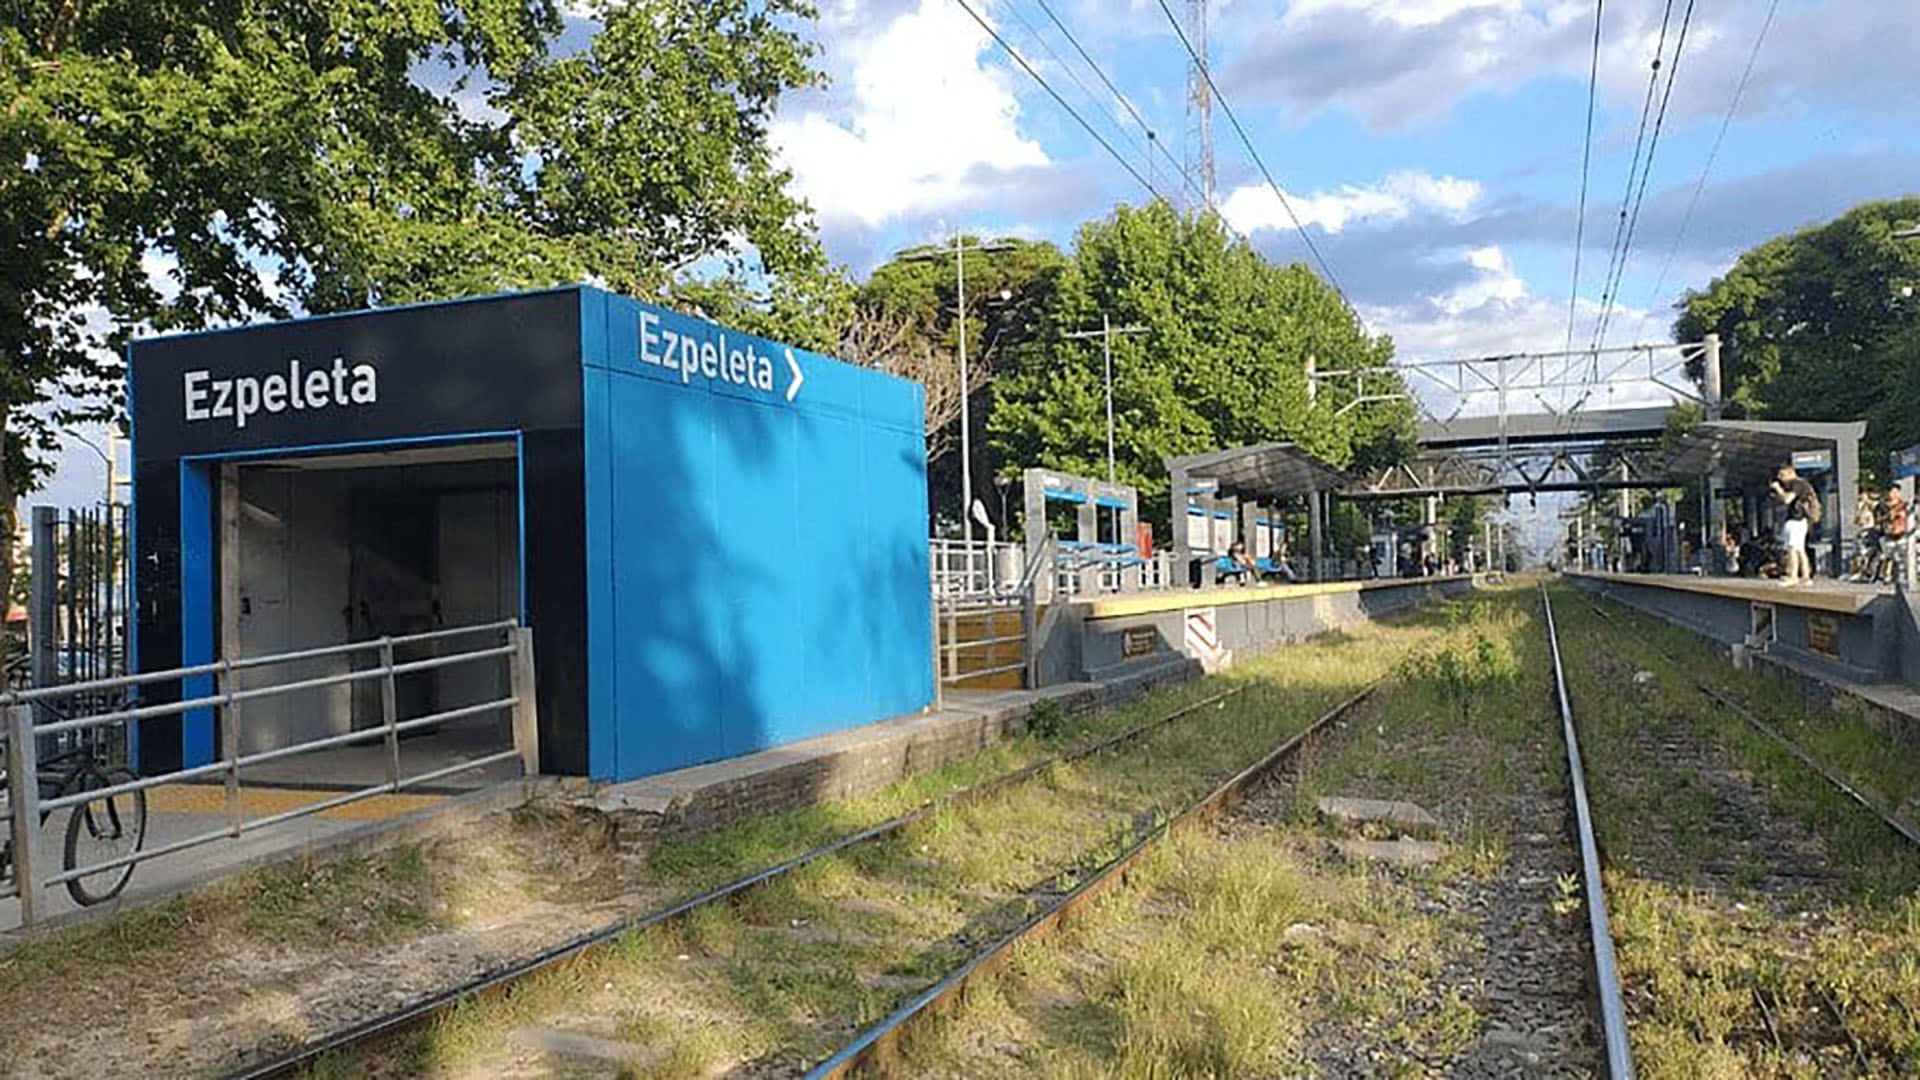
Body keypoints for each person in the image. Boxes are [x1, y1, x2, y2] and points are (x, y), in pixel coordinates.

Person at [1769, 465, 1819, 585]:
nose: (1780, 479)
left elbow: (1787, 500)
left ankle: (1793, 576)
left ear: (1791, 473)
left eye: (1782, 475)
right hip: (1802, 520)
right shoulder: (1804, 484)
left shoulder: (1797, 484)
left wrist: (1778, 489)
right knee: (1800, 549)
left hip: (1797, 519)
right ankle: (1806, 577)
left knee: (1791, 548)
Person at [1848, 491, 1881, 582]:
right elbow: (1857, 521)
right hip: (1862, 533)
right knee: (1860, 554)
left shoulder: (1871, 507)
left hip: (1870, 532)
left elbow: (1868, 520)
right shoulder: (1859, 507)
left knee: (1869, 553)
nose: (1861, 497)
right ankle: (1861, 572)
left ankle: (1869, 573)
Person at [1879, 487, 1910, 584]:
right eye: (1892, 492)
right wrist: (1888, 516)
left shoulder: (1904, 505)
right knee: (1887, 556)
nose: (1894, 494)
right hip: (1889, 534)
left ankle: (1906, 575)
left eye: (1896, 492)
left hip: (1902, 533)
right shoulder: (1883, 506)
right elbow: (1879, 519)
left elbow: (1909, 517)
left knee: (1905, 555)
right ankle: (1887, 576)